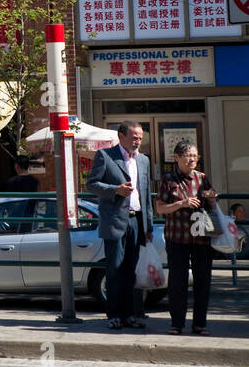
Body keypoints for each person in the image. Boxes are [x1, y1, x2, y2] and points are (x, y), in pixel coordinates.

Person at [87, 121, 154, 331]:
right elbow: (92, 184)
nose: (138, 141)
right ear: (122, 136)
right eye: (134, 137)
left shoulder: (143, 160)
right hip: (115, 220)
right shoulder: (105, 156)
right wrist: (115, 189)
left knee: (130, 272)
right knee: (114, 270)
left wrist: (148, 226)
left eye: (140, 138)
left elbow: (146, 194)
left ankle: (129, 315)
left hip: (137, 220)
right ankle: (114, 315)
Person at [155, 140, 216, 336]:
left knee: (202, 281)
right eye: (188, 155)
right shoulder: (168, 180)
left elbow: (211, 203)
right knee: (177, 282)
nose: (193, 159)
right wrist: (182, 203)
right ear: (177, 158)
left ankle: (200, 324)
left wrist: (212, 200)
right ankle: (177, 324)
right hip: (177, 237)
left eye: (195, 155)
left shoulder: (202, 178)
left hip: (201, 237)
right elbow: (160, 208)